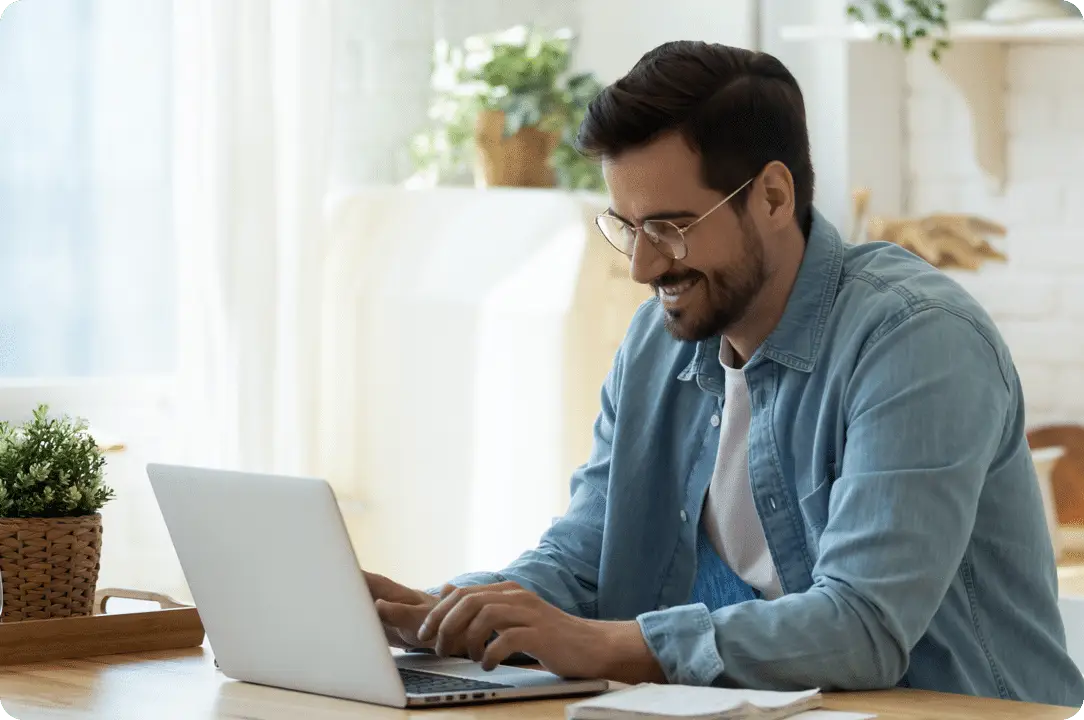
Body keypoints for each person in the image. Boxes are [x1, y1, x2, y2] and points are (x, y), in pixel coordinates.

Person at [367, 40, 1084, 705]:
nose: (643, 267)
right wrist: (444, 610)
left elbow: (864, 624)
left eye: (669, 228)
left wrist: (603, 644)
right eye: (626, 226)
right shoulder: (658, 342)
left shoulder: (916, 341)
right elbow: (588, 557)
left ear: (773, 196)